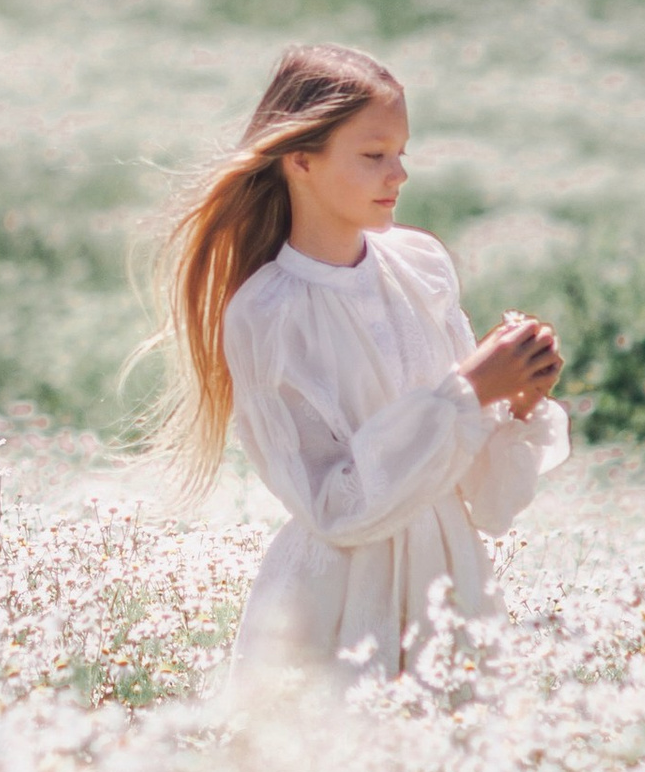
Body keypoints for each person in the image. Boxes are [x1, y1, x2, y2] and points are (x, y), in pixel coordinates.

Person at [156, 42, 569, 687]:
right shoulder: (267, 314)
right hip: (337, 608)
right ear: (300, 161)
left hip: (449, 587)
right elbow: (335, 509)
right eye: (374, 155)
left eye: (402, 153)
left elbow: (485, 501)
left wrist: (514, 400)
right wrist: (465, 393)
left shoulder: (421, 265)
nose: (398, 174)